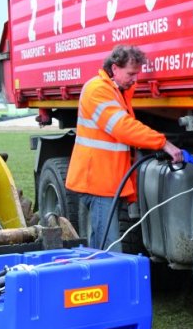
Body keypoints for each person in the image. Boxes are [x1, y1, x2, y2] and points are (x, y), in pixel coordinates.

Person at [65, 45, 182, 249]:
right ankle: (103, 280)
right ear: (114, 68)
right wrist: (164, 143)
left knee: (102, 246)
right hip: (98, 183)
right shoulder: (97, 90)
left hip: (106, 181)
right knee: (108, 250)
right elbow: (123, 128)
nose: (135, 80)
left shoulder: (116, 91)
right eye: (131, 74)